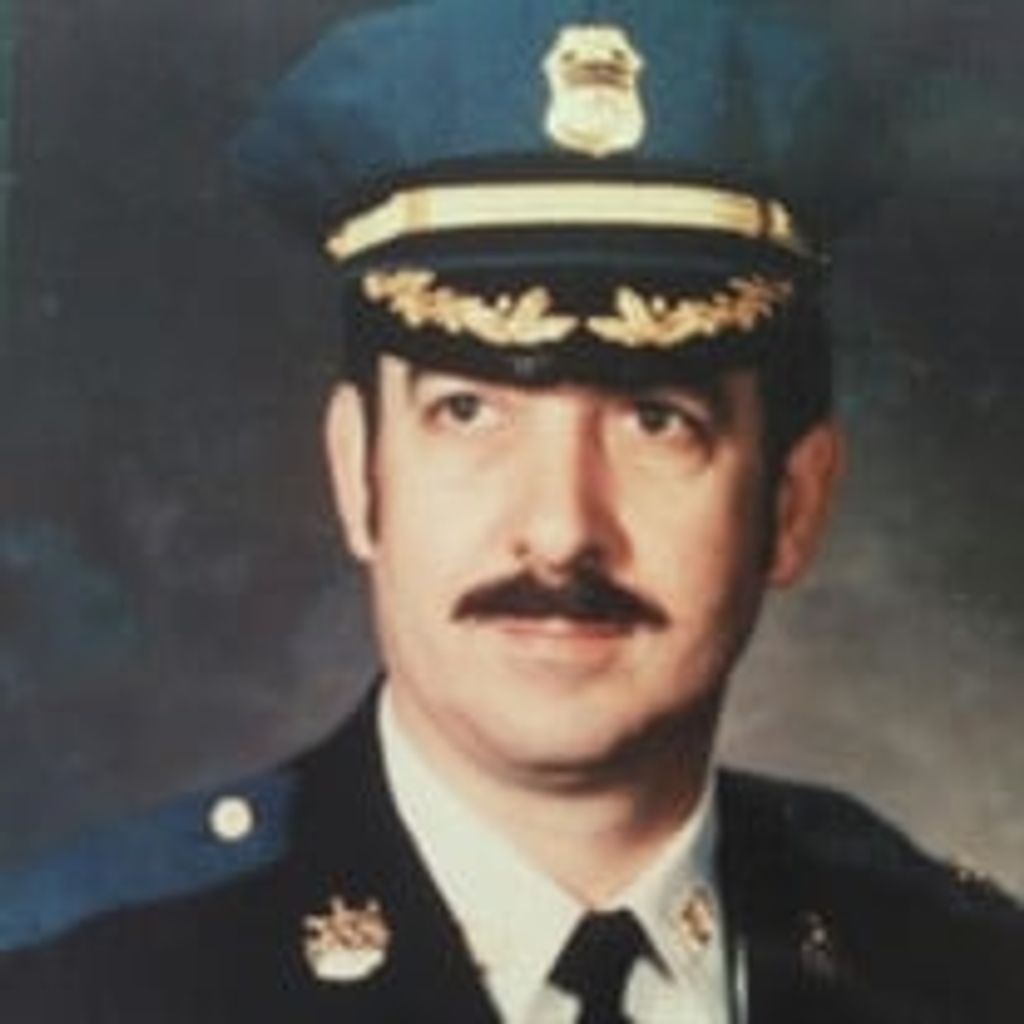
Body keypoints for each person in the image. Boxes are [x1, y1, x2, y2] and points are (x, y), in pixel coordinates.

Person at [1, 0, 1020, 1021]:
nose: (561, 529)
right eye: (468, 411)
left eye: (656, 421)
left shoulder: (966, 974)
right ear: (358, 474)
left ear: (792, 504)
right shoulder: (80, 982)